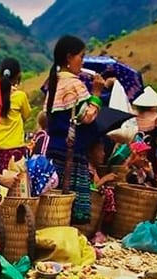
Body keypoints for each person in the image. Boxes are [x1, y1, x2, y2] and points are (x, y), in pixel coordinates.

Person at [42, 35, 105, 224]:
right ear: (69, 58)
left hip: (54, 149)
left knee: (53, 202)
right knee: (67, 204)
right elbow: (87, 117)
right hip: (71, 151)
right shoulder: (75, 84)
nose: (82, 62)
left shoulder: (55, 82)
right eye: (81, 56)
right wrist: (96, 94)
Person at [0, 58, 31, 172]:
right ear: (18, 76)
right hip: (14, 149)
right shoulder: (20, 96)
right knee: (14, 186)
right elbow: (26, 115)